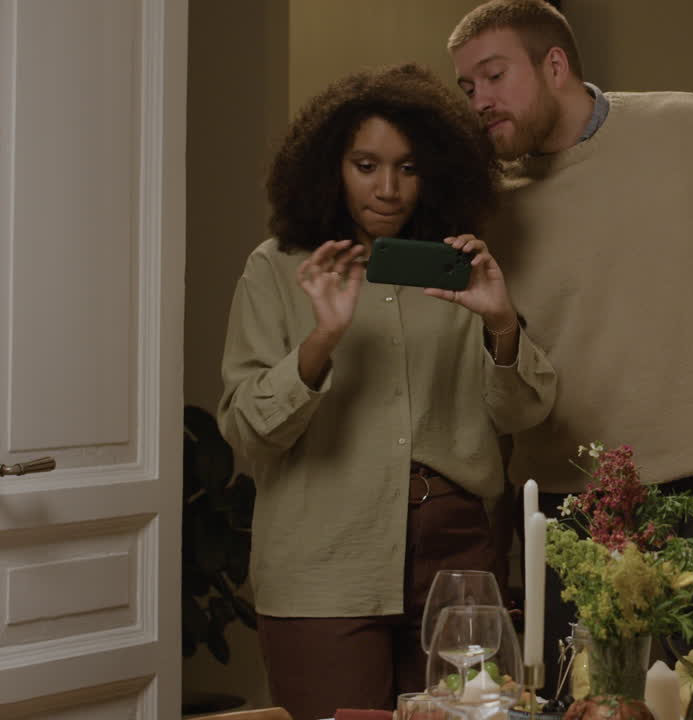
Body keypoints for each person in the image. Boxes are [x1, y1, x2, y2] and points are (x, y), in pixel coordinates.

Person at [447, 0, 693, 679]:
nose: (480, 100)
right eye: (467, 87)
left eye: (494, 76)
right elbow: (501, 382)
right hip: (568, 504)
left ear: (555, 64)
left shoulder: (689, 126)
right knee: (587, 699)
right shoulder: (486, 204)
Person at [217, 63, 556, 720]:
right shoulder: (276, 269)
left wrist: (501, 323)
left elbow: (524, 411)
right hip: (325, 561)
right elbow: (248, 432)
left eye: (408, 167)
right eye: (366, 165)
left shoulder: (462, 268)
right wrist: (323, 337)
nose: (389, 188)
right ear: (330, 167)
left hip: (457, 556)